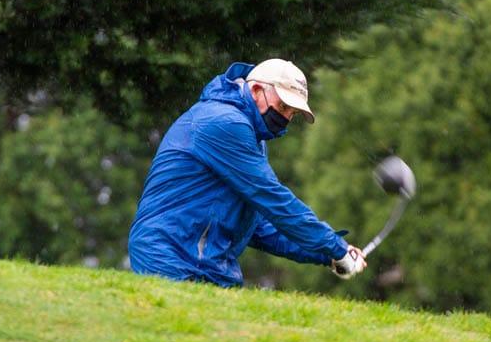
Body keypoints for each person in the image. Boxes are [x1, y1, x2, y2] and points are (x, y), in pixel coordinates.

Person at [128, 58, 367, 287]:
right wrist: (334, 246)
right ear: (255, 91)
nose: (286, 118)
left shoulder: (253, 138)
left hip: (207, 266)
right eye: (283, 106)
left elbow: (259, 227)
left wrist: (328, 255)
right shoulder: (225, 123)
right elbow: (272, 198)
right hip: (169, 256)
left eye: (292, 113)